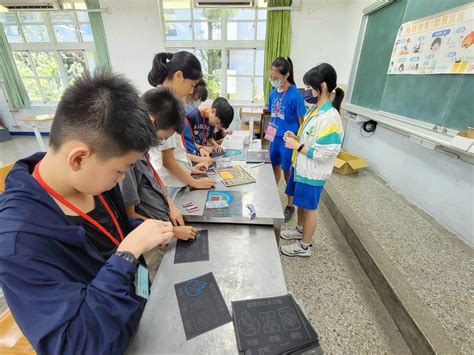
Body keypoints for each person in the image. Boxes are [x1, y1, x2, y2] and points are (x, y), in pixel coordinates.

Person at [0, 72, 175, 354]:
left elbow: (107, 235)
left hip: (136, 312)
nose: (122, 179)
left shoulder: (94, 180)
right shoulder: (19, 240)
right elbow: (74, 345)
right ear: (79, 158)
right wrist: (127, 255)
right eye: (121, 170)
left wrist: (144, 232)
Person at [280, 63, 344, 257]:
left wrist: (297, 146)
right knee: (301, 204)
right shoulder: (314, 111)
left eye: (309, 87)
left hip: (313, 172)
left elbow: (324, 153)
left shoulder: (330, 118)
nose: (306, 91)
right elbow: (309, 139)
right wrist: (296, 137)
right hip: (301, 167)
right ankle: (300, 231)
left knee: (309, 209)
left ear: (322, 86)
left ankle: (304, 246)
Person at [120, 87, 197, 242]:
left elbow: (155, 182)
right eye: (162, 138)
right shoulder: (127, 161)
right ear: (151, 122)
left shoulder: (143, 151)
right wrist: (174, 231)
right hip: (155, 239)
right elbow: (130, 216)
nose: (160, 143)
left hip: (165, 224)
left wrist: (172, 206)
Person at [147, 51, 215, 198]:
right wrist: (194, 182)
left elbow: (177, 149)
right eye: (191, 85)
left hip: (177, 179)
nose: (191, 91)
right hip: (170, 184)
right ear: (178, 76)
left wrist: (189, 169)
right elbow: (168, 161)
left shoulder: (169, 101)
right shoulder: (164, 106)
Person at [267, 57, 307, 222]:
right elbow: (272, 114)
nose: (273, 80)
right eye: (271, 77)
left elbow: (302, 121)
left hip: (287, 140)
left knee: (287, 171)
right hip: (274, 138)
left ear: (286, 75)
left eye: (276, 78)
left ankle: (290, 204)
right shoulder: (272, 93)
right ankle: (272, 195)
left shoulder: (295, 95)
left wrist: (298, 141)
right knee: (273, 167)